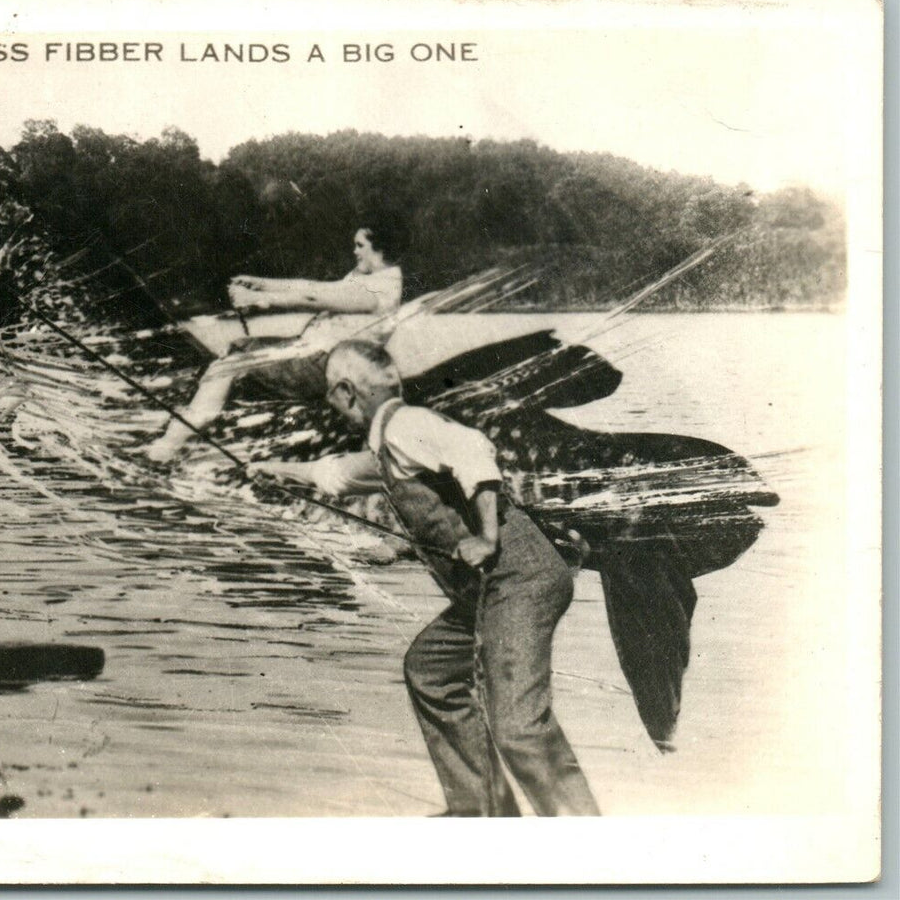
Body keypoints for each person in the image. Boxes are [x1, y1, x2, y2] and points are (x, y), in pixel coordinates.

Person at [251, 339, 600, 816]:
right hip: (491, 590)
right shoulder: (389, 443)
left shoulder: (406, 426)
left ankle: (584, 837)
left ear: (347, 392)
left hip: (519, 580)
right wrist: (275, 471)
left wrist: (489, 539)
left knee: (518, 726)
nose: (331, 408)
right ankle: (482, 810)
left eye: (330, 396)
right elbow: (339, 474)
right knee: (431, 671)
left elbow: (473, 452)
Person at [145, 226, 403, 462]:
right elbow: (311, 286)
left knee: (233, 359)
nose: (355, 251)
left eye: (360, 245)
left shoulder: (379, 288)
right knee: (243, 347)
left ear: (378, 248)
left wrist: (260, 299)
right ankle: (195, 435)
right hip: (316, 355)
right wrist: (262, 283)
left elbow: (313, 298)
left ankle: (169, 447)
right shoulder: (372, 278)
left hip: (323, 365)